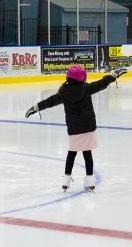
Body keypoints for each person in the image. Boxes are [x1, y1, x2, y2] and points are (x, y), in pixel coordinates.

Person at [25, 64, 119, 192]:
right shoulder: (86, 88)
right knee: (87, 153)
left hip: (74, 128)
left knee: (72, 153)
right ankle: (90, 181)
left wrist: (36, 107)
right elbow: (102, 83)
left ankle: (66, 180)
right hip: (88, 126)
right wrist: (113, 75)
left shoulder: (63, 92)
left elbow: (50, 101)